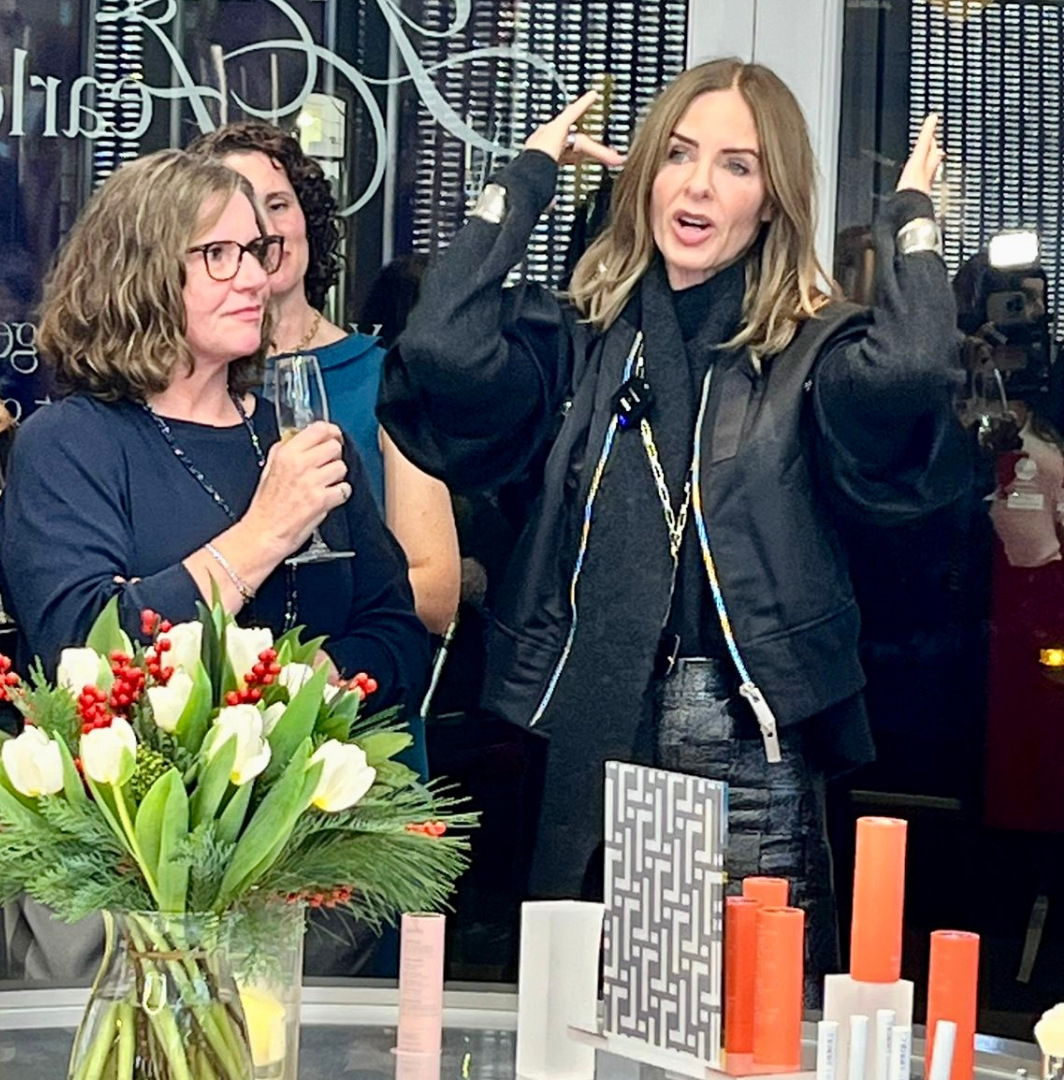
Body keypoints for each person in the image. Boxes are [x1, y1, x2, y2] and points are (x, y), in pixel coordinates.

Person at [379, 58, 965, 991]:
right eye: (679, 155)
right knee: (586, 1024)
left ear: (772, 200)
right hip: (595, 720)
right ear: (643, 173)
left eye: (736, 165)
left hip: (742, 730)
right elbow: (441, 343)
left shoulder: (811, 349)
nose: (697, 186)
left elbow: (913, 370)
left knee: (752, 1027)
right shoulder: (578, 340)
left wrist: (912, 225)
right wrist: (524, 179)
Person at [0, 149, 429, 980]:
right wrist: (263, 532)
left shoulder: (294, 437)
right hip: (121, 884)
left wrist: (305, 700)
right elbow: (83, 651)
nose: (255, 280)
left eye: (259, 253)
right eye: (217, 256)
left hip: (305, 881)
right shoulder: (72, 442)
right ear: (142, 271)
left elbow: (396, 625)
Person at [187, 122, 459, 636]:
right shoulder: (187, 388)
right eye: (239, 211)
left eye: (278, 204)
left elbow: (437, 591)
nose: (264, 230)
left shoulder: (388, 377)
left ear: (307, 217)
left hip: (359, 695)